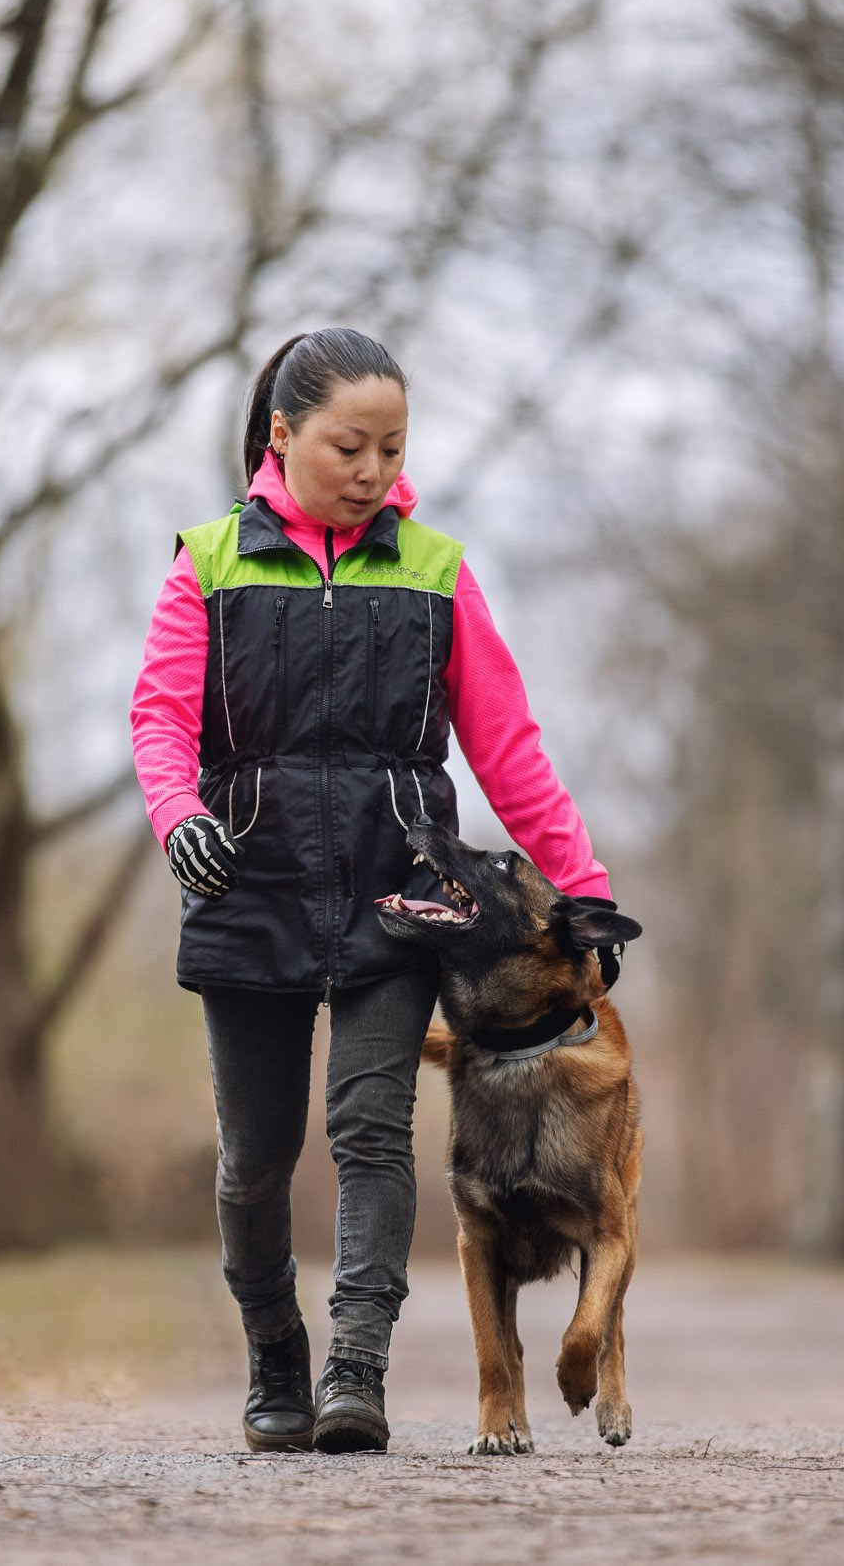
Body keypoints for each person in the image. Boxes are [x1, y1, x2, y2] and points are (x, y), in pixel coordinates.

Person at [129, 327, 622, 1454]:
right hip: (248, 882)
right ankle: (274, 1359)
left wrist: (582, 890)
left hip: (403, 893)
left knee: (371, 1128)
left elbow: (508, 748)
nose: (372, 470)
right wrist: (181, 816)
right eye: (350, 445)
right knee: (254, 1156)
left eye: (392, 450)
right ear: (282, 434)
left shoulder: (435, 571)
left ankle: (358, 1364)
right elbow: (159, 717)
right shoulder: (208, 559)